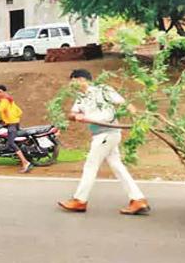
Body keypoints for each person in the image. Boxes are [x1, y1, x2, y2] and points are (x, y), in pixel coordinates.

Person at [58, 69, 151, 215]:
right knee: (117, 166)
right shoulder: (81, 97)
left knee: (90, 166)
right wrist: (76, 116)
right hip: (101, 134)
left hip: (107, 133)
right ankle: (138, 200)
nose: (72, 85)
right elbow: (72, 113)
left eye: (73, 81)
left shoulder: (103, 90)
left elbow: (125, 104)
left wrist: (139, 119)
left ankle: (79, 200)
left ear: (82, 79)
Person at [0, 84, 33, 173]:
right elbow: (19, 111)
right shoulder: (9, 99)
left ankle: (25, 162)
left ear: (4, 92)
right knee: (8, 139)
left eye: (0, 92)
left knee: (11, 143)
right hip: (13, 123)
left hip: (12, 124)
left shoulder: (4, 101)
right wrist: (6, 119)